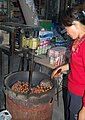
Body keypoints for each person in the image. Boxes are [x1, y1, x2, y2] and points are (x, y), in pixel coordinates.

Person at [51, 3, 85, 120]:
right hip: (72, 89)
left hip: (81, 96)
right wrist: (61, 68)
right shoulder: (78, 40)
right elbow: (77, 65)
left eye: (67, 28)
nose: (67, 32)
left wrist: (84, 109)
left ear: (75, 24)